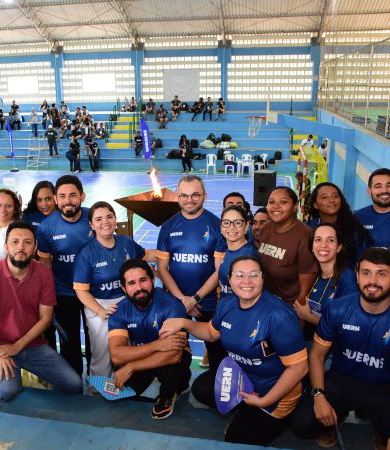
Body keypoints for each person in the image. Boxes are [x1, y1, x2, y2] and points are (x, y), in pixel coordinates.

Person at [161, 255, 308, 445]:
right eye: (239, 275)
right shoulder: (227, 304)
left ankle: (280, 415)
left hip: (274, 392)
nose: (247, 281)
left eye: (253, 275)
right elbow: (211, 333)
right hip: (244, 379)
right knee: (201, 389)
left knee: (235, 438)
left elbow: (299, 368)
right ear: (229, 280)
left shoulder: (279, 316)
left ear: (263, 278)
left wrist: (264, 401)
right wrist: (183, 322)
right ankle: (247, 409)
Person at [290, 248, 390, 450]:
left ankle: (381, 426)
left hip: (384, 388)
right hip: (341, 381)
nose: (372, 281)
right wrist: (319, 396)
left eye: (381, 274)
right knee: (301, 424)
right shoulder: (337, 309)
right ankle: (334, 418)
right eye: (366, 273)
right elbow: (317, 355)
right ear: (357, 276)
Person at [0, 221, 83, 401]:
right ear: (6, 246)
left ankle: (14, 369)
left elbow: (45, 318)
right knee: (7, 391)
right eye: (15, 242)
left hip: (32, 345)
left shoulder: (44, 274)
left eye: (27, 242)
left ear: (35, 247)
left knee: (74, 384)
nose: (21, 247)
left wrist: (17, 346)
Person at [156, 175, 225, 369]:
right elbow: (162, 268)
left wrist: (194, 299)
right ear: (178, 197)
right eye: (184, 195)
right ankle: (179, 383)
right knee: (175, 353)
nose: (189, 200)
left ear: (204, 196)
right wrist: (182, 300)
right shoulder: (168, 226)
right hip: (176, 303)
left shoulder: (216, 226)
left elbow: (219, 270)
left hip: (208, 302)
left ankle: (215, 383)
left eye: (195, 195)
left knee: (216, 352)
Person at [108, 259, 191, 419]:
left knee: (172, 369)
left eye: (143, 280)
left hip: (168, 359)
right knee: (124, 393)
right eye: (131, 283)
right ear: (124, 288)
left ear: (153, 280)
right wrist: (157, 345)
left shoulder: (173, 305)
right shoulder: (119, 311)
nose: (139, 287)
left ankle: (171, 391)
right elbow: (117, 356)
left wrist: (131, 366)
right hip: (144, 354)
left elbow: (174, 355)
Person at [73, 201, 148, 377]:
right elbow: (81, 290)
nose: (105, 222)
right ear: (91, 224)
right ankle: (98, 388)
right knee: (103, 354)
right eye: (98, 219)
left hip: (127, 303)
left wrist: (166, 256)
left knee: (129, 348)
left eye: (109, 216)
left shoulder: (126, 242)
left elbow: (145, 256)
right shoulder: (86, 253)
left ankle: (127, 384)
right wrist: (101, 311)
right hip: (100, 305)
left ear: (115, 219)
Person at [37, 175, 93, 375]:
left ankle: (96, 379)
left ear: (82, 196)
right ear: (55, 199)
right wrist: (48, 296)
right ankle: (74, 380)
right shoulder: (46, 227)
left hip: (93, 292)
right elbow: (45, 265)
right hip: (64, 293)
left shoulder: (94, 218)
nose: (67, 201)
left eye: (72, 195)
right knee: (69, 342)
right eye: (62, 196)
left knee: (96, 339)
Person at [257, 186, 318, 306]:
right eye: (271, 202)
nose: (276, 206)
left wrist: (298, 311)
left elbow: (306, 285)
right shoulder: (266, 228)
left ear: (295, 206)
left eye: (283, 202)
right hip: (264, 299)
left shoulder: (306, 236)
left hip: (288, 305)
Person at [293, 223, 358, 327]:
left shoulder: (348, 279)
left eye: (330, 240)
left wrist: (309, 317)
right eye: (318, 240)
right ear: (312, 247)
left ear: (339, 247)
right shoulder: (312, 274)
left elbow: (347, 326)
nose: (323, 245)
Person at [307, 182, 373, 267]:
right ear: (315, 204)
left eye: (335, 196)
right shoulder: (308, 228)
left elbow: (365, 260)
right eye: (324, 197)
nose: (331, 200)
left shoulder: (354, 229)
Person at [215, 206, 257, 296]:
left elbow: (248, 297)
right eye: (226, 223)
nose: (232, 227)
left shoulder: (247, 258)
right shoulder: (231, 250)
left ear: (246, 227)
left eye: (237, 223)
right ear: (221, 228)